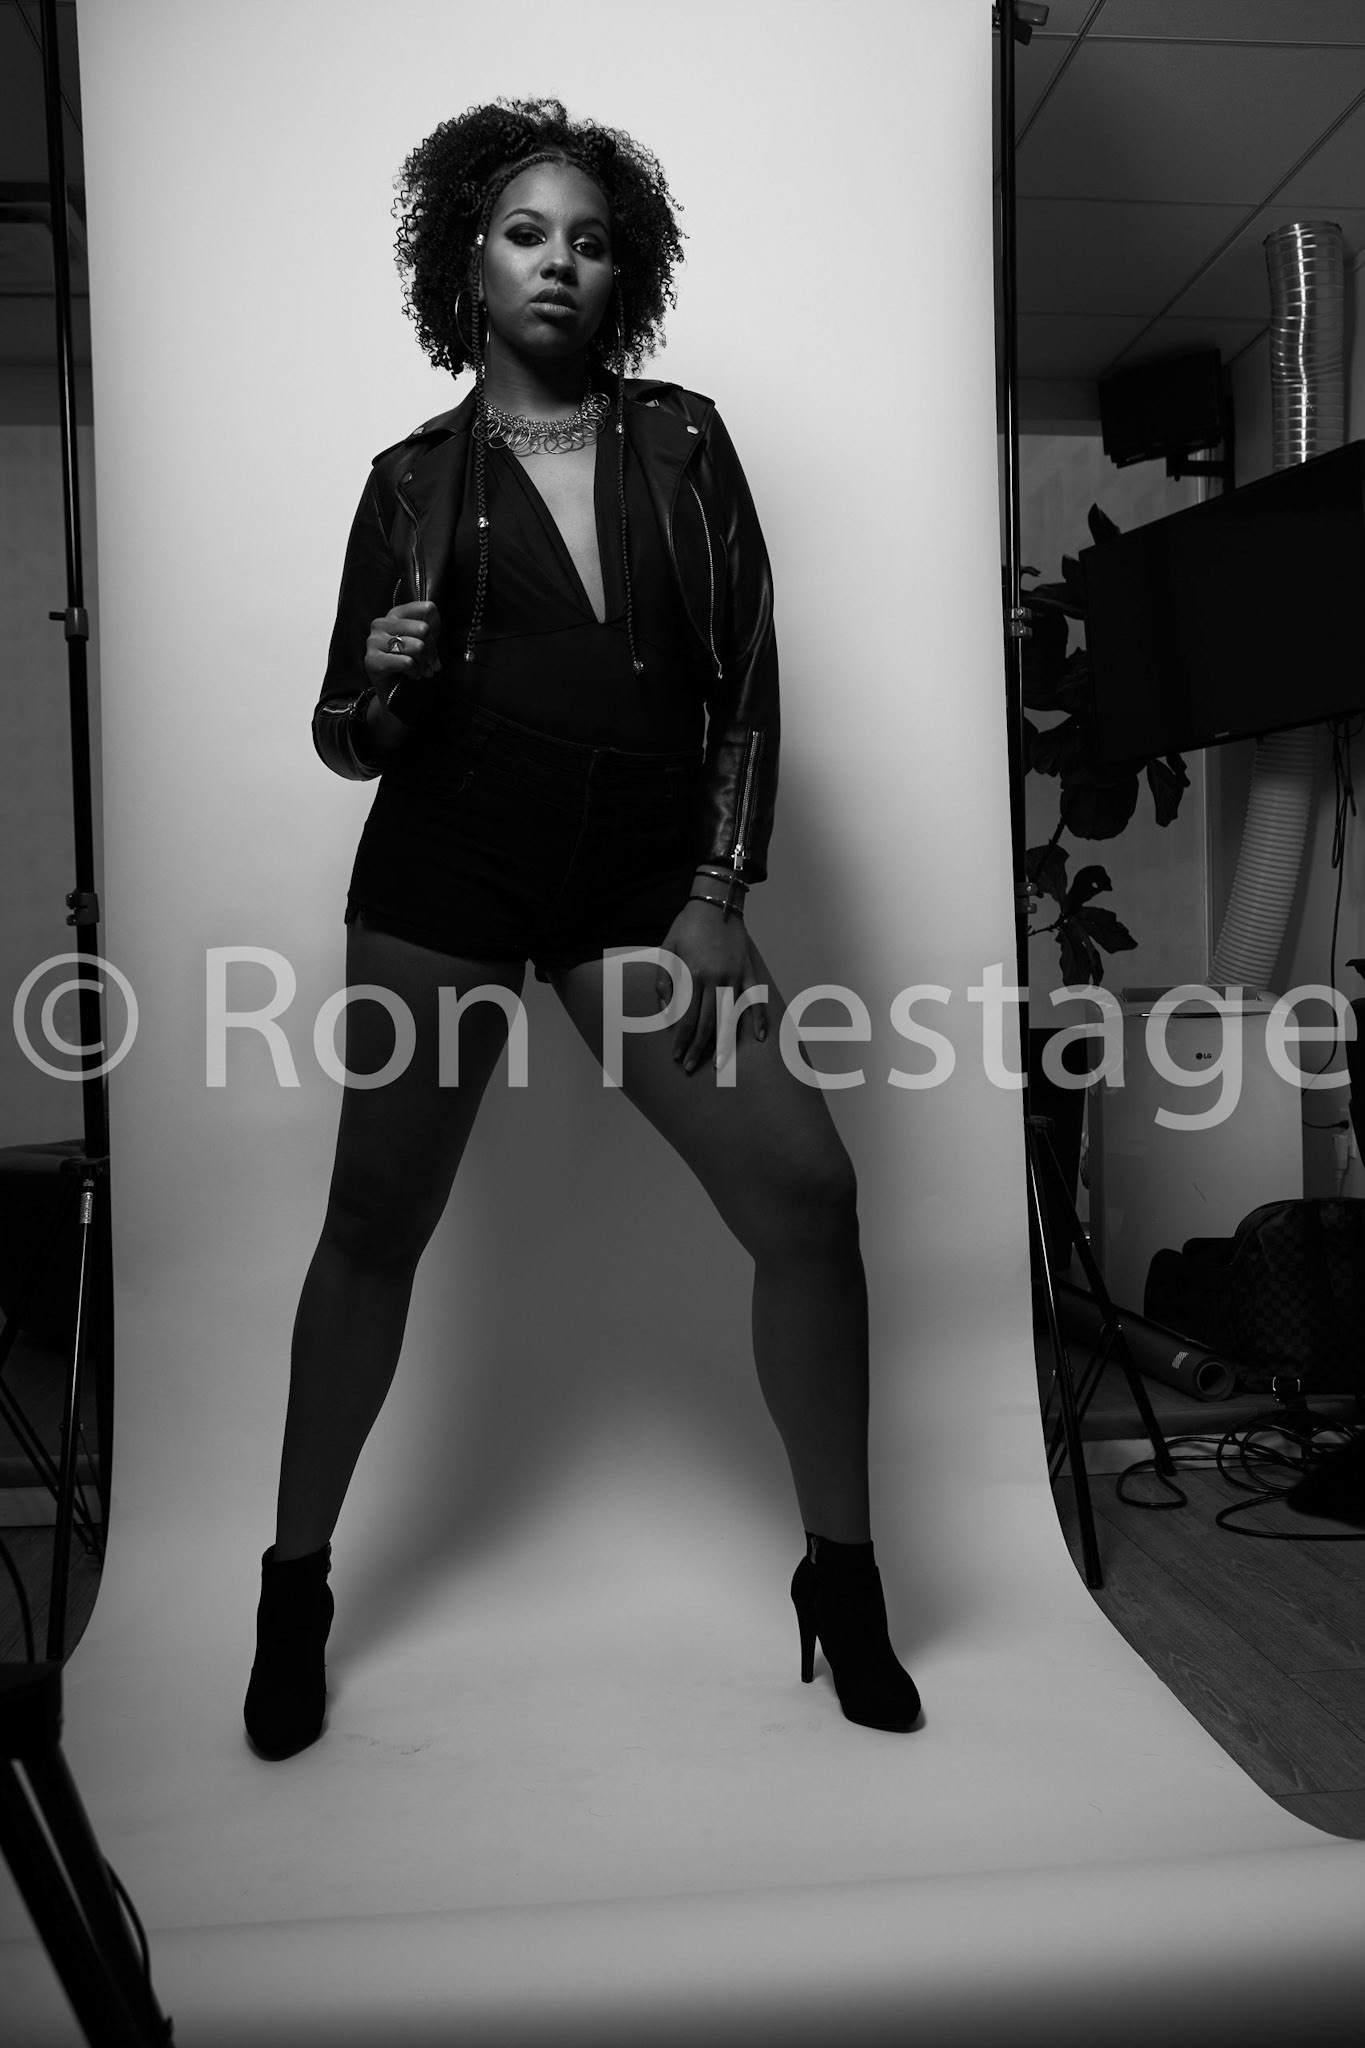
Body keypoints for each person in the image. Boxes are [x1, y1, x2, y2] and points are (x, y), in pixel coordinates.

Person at [244, 97, 920, 1760]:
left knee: (807, 1198)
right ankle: (292, 1586)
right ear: (465, 265)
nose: (558, 261)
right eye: (524, 232)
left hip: (640, 879)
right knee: (373, 1224)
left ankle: (841, 1578)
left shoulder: (681, 442)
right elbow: (341, 736)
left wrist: (716, 891)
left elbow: (744, 678)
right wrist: (378, 687)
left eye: (591, 239)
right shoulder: (408, 482)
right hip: (449, 866)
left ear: (627, 274)